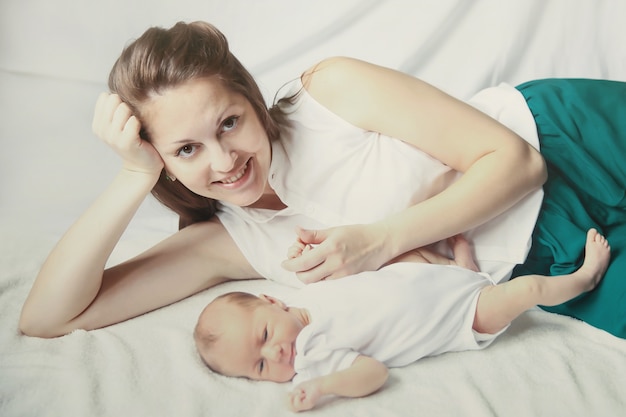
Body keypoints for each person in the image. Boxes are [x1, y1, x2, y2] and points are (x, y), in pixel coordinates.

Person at [18, 20, 626, 339]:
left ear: (251, 100)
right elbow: (48, 318)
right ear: (163, 160)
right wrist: (133, 175)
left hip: (570, 139)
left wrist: (380, 240)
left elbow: (515, 162)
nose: (224, 160)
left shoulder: (329, 92)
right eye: (186, 148)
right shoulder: (228, 243)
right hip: (540, 259)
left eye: (229, 122)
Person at [194, 229, 611, 412]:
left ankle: (465, 265)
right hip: (464, 314)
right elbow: (373, 373)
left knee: (398, 257)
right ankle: (584, 277)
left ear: (272, 300)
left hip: (443, 281)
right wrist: (323, 386)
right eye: (262, 366)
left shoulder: (306, 295)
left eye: (264, 336)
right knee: (526, 292)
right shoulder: (311, 355)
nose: (276, 351)